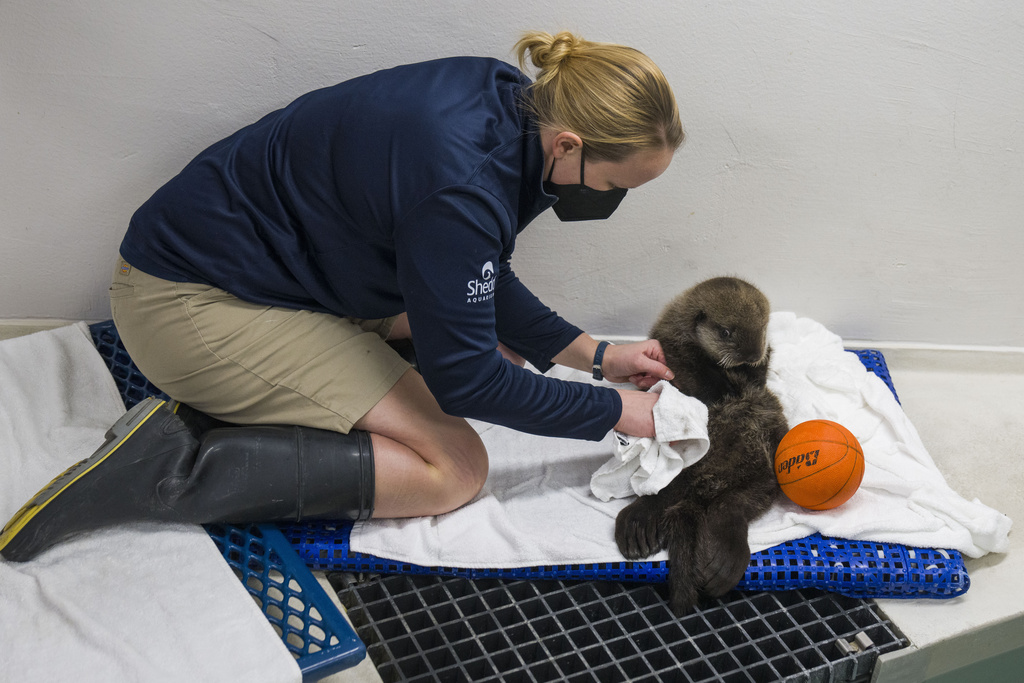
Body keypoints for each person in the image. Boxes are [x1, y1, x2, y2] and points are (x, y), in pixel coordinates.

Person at [0, 30, 684, 562]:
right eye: (615, 184)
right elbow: (470, 380)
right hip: (188, 306)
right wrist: (613, 412)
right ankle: (171, 466)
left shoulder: (505, 99)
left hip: (259, 270)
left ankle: (272, 389)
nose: (612, 200)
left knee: (472, 330)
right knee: (454, 466)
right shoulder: (464, 185)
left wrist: (597, 355)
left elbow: (474, 268)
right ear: (568, 144)